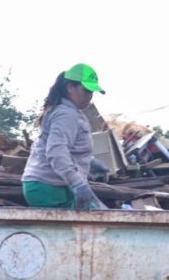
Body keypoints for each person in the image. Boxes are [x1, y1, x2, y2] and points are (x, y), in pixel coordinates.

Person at [22, 63, 109, 210]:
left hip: (49, 186)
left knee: (100, 215)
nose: (89, 96)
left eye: (91, 92)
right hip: (48, 188)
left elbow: (68, 148)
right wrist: (78, 184)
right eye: (86, 91)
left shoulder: (68, 111)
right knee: (101, 220)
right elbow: (56, 152)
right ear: (70, 87)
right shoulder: (66, 115)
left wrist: (91, 162)